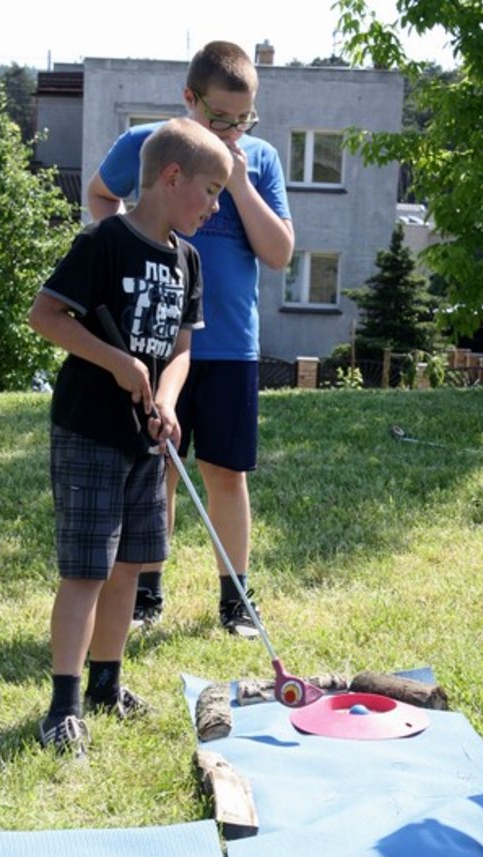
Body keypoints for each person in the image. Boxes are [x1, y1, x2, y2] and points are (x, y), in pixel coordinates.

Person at [29, 118, 232, 755]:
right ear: (172, 177)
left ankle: (106, 685)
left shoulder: (187, 260)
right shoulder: (104, 242)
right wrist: (115, 361)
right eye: (211, 191)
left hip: (147, 438)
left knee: (128, 567)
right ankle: (63, 706)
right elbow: (45, 315)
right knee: (86, 569)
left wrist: (167, 400)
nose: (214, 206)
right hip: (90, 429)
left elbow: (181, 347)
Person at [87, 40, 294, 638]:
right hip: (157, 342)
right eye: (219, 118)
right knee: (159, 469)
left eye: (243, 119)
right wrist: (124, 246)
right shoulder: (149, 146)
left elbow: (279, 252)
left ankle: (237, 599)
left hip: (230, 346)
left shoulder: (260, 159)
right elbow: (101, 193)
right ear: (189, 98)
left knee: (226, 473)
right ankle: (147, 591)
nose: (232, 130)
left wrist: (239, 185)